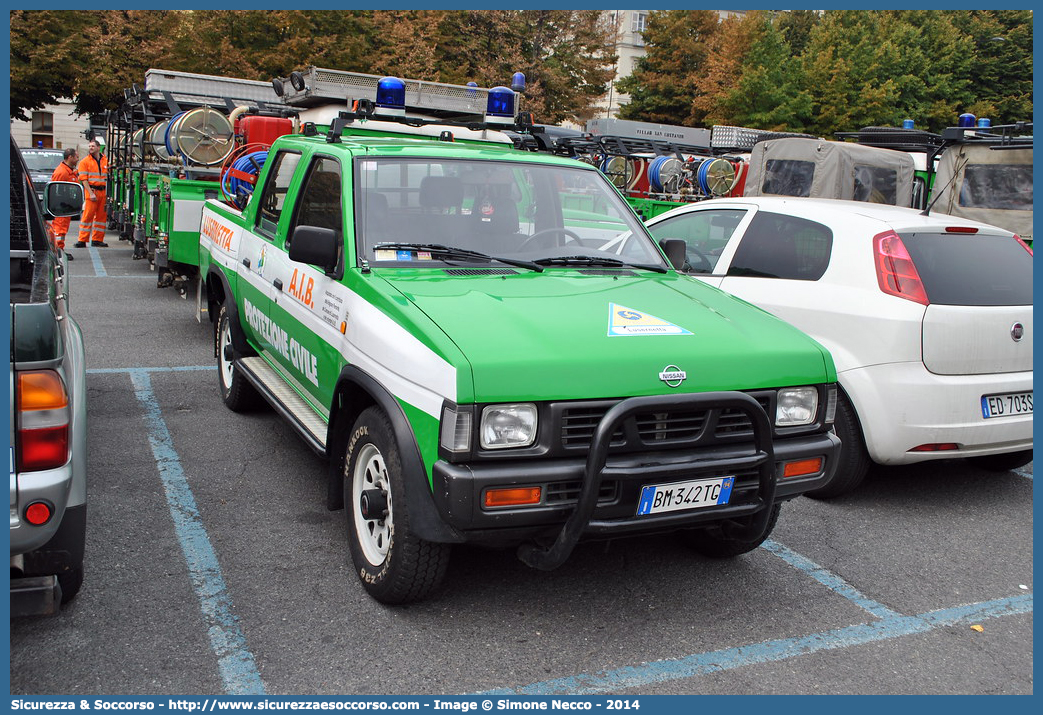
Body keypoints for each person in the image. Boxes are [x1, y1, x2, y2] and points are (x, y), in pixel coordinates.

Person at [75, 138, 109, 248]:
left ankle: (97, 239)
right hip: (92, 191)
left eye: (93, 146)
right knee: (87, 216)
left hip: (103, 192)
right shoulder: (85, 162)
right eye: (89, 146)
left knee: (101, 217)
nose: (90, 148)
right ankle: (82, 240)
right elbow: (83, 179)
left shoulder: (106, 161)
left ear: (99, 148)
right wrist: (90, 193)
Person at [49, 147, 80, 258]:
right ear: (70, 157)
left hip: (65, 206)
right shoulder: (62, 172)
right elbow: (56, 191)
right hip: (61, 207)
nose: (78, 159)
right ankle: (58, 251)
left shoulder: (68, 171)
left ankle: (59, 250)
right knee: (59, 230)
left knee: (62, 229)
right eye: (76, 157)